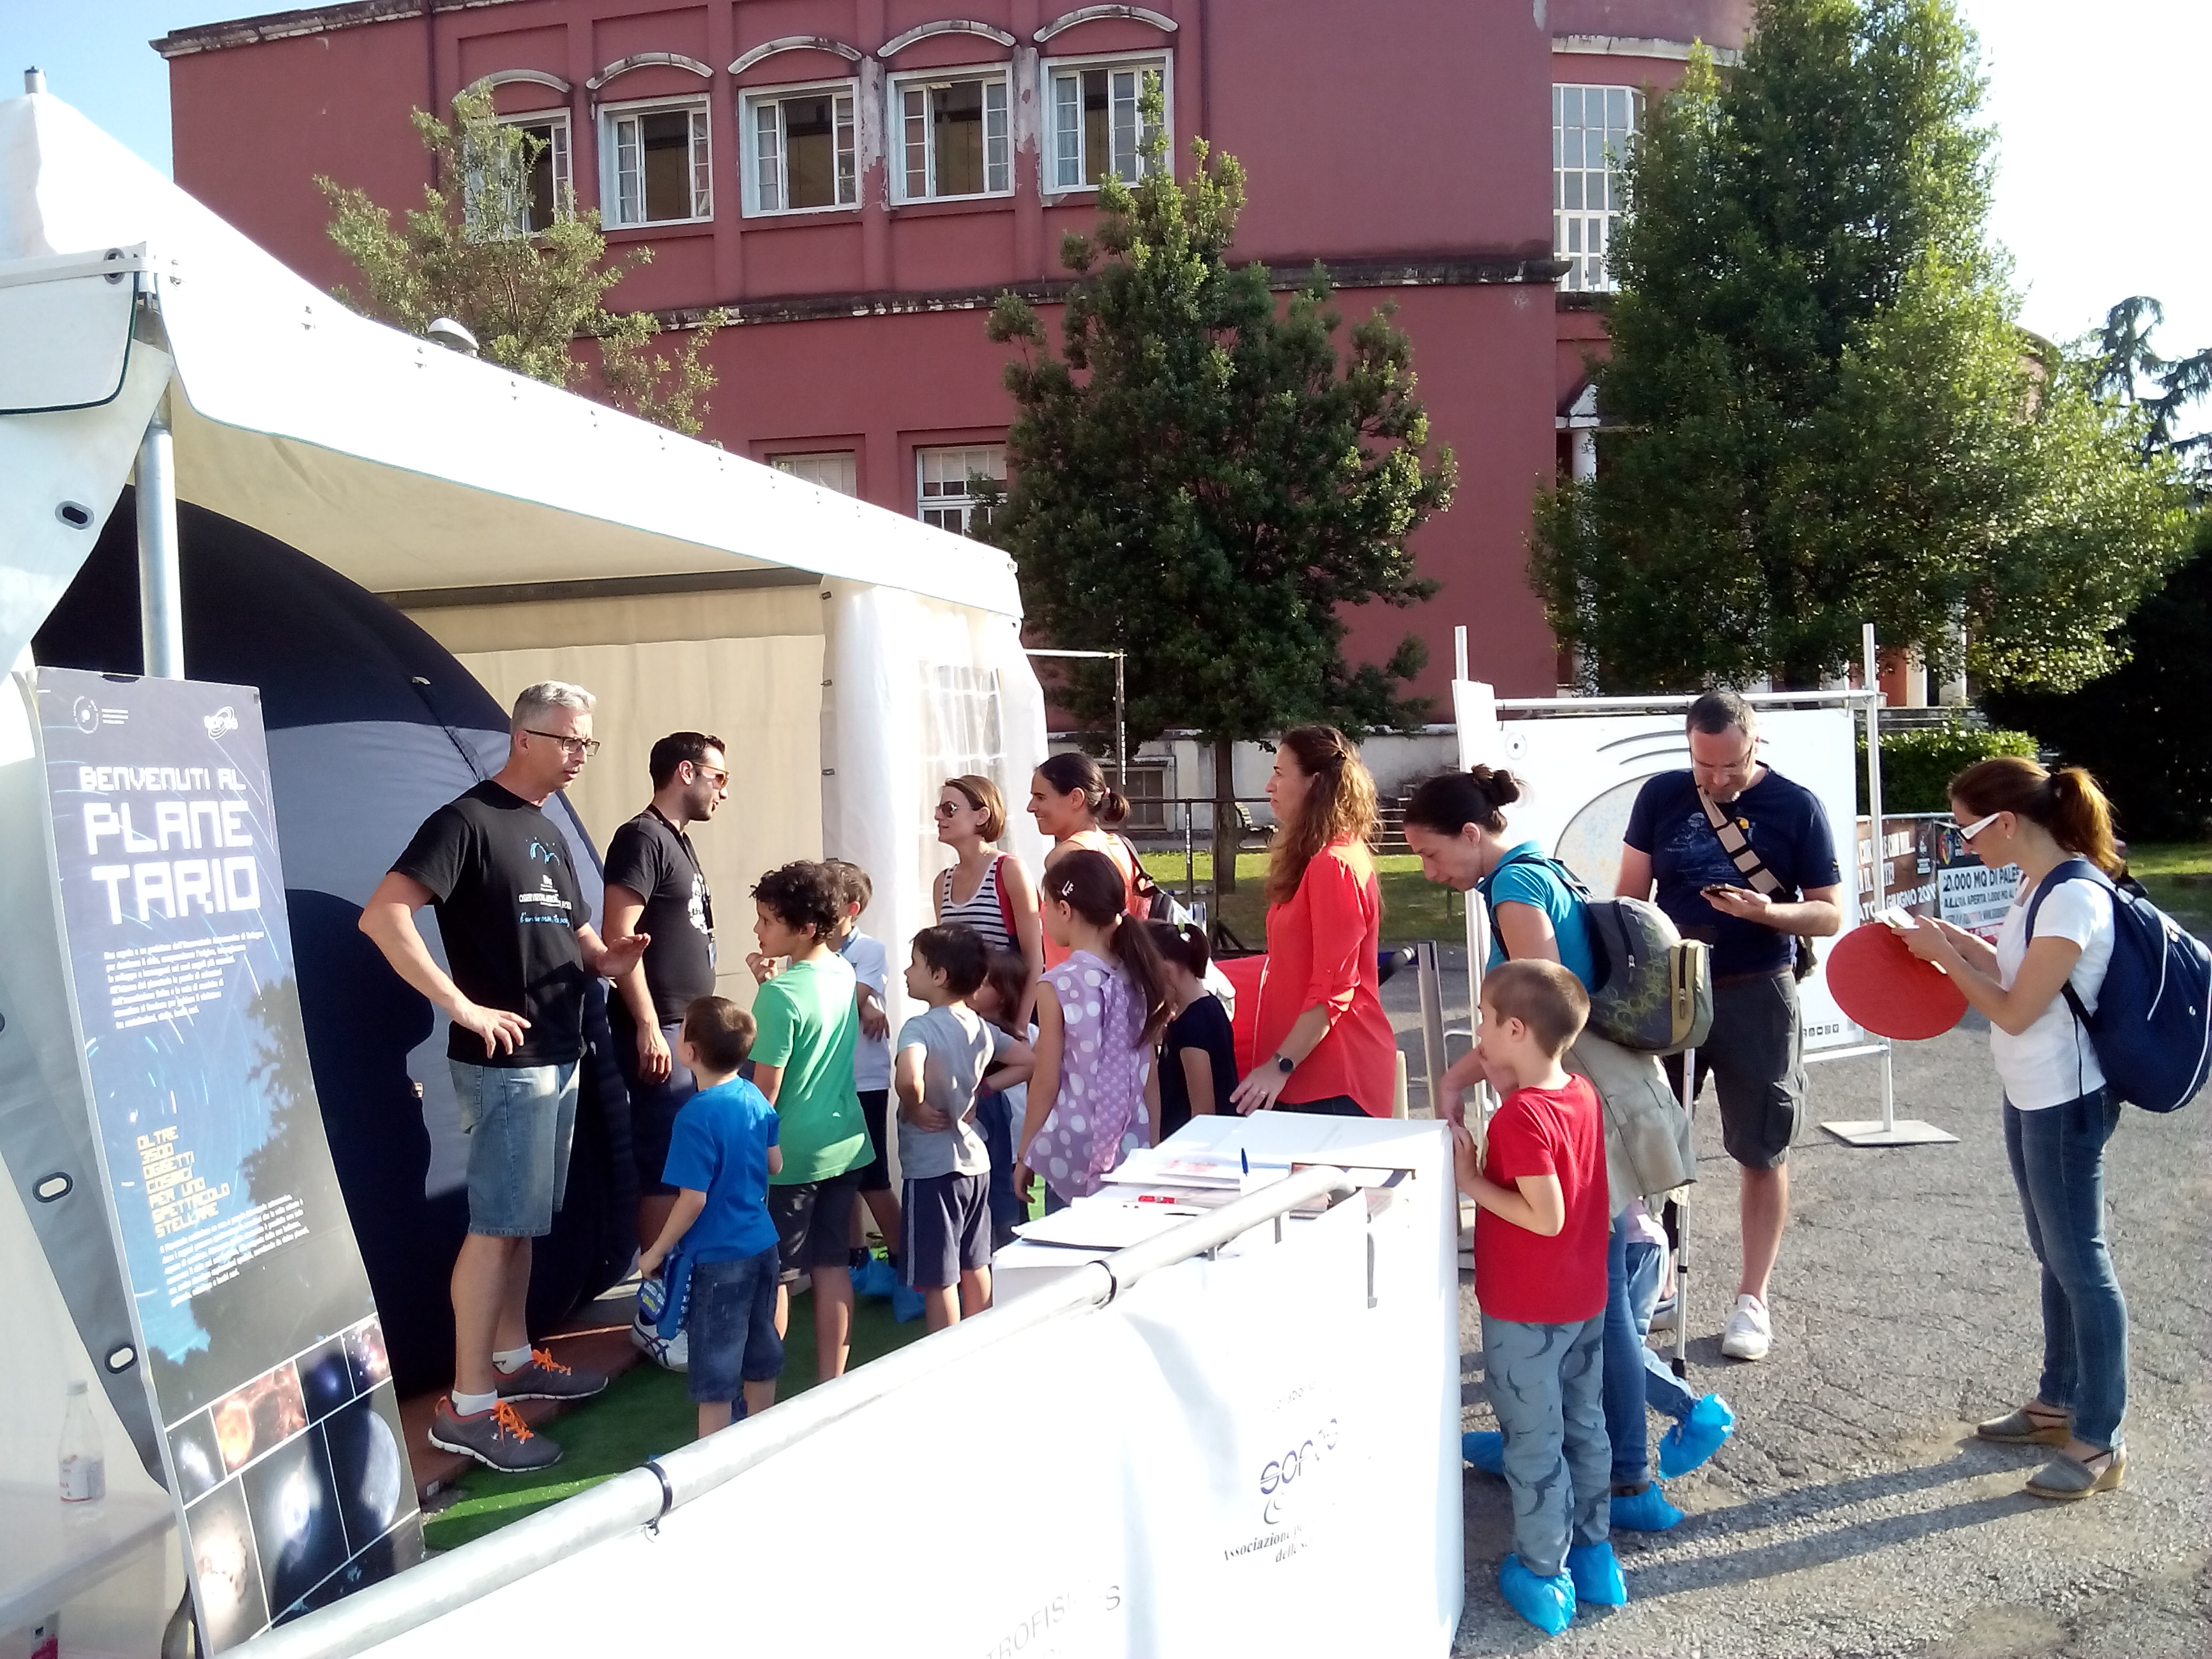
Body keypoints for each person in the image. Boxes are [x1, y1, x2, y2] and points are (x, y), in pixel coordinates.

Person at [1404, 766, 1734, 1530]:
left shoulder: (1514, 890)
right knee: (1596, 1289)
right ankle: (1613, 1456)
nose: (1428, 871)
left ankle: (1636, 1471)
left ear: (1470, 834)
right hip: (1600, 1095)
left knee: (1598, 1296)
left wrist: (1459, 1078)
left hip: (1588, 1101)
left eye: (1430, 853)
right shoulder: (1533, 870)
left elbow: (1536, 1009)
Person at [360, 681, 645, 1473]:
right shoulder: (465, 822)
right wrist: (460, 1005)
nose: (581, 754)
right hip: (506, 1064)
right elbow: (383, 915)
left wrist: (609, 960)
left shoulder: (547, 830)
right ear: (524, 738)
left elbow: (577, 932)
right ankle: (468, 1408)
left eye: (588, 742)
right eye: (569, 740)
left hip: (559, 1052)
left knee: (518, 1224)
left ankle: (513, 1360)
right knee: (494, 1229)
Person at [1893, 757, 2131, 1501]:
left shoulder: (2073, 895)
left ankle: (2099, 1440)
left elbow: (2015, 1009)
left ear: (2006, 822)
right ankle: (2057, 1403)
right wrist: (1957, 943)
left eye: (1966, 830)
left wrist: (1945, 960)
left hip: (2066, 1098)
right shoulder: (2036, 885)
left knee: (2080, 1263)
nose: (1962, 845)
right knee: (2053, 1253)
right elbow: (2015, 974)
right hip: (2031, 1090)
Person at [1618, 689, 1842, 1362]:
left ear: (1755, 743)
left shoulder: (1796, 805)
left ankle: (1752, 1298)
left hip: (1756, 988)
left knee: (1762, 1146)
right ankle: (1657, 1279)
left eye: (1732, 766)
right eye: (1704, 766)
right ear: (1688, 747)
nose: (1717, 780)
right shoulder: (1660, 795)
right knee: (1650, 1139)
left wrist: (1767, 914)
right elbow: (1629, 894)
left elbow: (1828, 913)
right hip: (1670, 988)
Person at [1451, 960, 1622, 1634]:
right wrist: (1500, 1078)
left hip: (1525, 1307)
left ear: (1515, 1029)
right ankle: (1594, 1553)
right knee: (1584, 1425)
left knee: (1532, 1440)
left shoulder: (1519, 1119)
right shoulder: (1577, 1091)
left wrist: (1471, 1182)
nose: (1478, 1031)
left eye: (1484, 1021)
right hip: (1582, 1297)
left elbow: (1543, 1215)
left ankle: (1543, 1572)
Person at [1229, 726, 1395, 1118]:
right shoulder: (1323, 858)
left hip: (1332, 1077)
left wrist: (1279, 1066)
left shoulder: (1333, 865)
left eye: (1280, 773)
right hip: (1308, 1071)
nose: (1269, 785)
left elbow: (1334, 989)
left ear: (1314, 783)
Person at [746, 861, 871, 1383]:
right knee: (832, 1266)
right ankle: (831, 1386)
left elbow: (765, 1092)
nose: (757, 930)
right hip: (845, 1147)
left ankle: (762, 1399)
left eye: (767, 921)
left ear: (802, 928)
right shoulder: (843, 971)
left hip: (788, 1158)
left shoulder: (778, 996)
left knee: (775, 1277)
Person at [604, 731, 727, 1256]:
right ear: (685, 772)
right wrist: (649, 1026)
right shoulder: (642, 837)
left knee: (691, 1163)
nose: (724, 791)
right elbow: (618, 938)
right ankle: (656, 1293)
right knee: (664, 1166)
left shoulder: (677, 839)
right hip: (664, 1029)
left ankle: (683, 1279)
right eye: (719, 777)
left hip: (689, 1028)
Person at [637, 996, 783, 1441]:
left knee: (715, 1368)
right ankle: (760, 1441)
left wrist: (656, 1251)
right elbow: (775, 1163)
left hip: (718, 1258)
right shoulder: (753, 1095)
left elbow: (693, 1200)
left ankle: (712, 1459)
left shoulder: (694, 1117)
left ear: (690, 1052)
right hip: (763, 1245)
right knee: (760, 1350)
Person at [1015, 850, 1170, 1213]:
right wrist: (1153, 1143)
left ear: (1065, 910)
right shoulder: (1139, 977)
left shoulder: (1056, 985)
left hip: (1071, 1153)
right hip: (1132, 1147)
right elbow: (1149, 1077)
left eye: (1046, 906)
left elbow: (1046, 1081)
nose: (1043, 915)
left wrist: (1025, 1153)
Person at [894, 925, 1034, 1331]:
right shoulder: (978, 1026)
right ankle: (981, 1340)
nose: (906, 972)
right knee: (976, 1261)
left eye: (915, 964)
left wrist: (916, 1105)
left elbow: (909, 1077)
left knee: (939, 1276)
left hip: (932, 1168)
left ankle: (947, 1350)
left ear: (939, 976)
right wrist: (983, 1089)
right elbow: (1029, 1060)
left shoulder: (919, 1028)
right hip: (976, 1164)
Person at [820, 860, 908, 1312]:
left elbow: (842, 1001)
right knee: (842, 1174)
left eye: (825, 900)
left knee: (873, 1177)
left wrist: (868, 1002)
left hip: (865, 1079)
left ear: (851, 909)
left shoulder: (869, 950)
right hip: (828, 1077)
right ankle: (858, 1262)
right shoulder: (812, 949)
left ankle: (907, 1265)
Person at [1026, 752, 1150, 969]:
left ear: (1076, 798)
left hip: (1077, 983)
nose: (1031, 807)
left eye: (1041, 797)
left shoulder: (1067, 856)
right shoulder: (1118, 845)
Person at [934, 774, 1045, 1011]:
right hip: (961, 1017)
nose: (938, 816)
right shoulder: (943, 882)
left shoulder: (1009, 870)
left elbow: (1035, 959)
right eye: (939, 809)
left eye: (949, 809)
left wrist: (1021, 1024)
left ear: (982, 816)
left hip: (1004, 1014)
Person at [1146, 919, 1236, 1139]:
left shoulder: (1192, 1026)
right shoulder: (1208, 1005)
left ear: (1166, 970)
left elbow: (1203, 1112)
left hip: (1190, 1143)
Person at [971, 948, 1036, 1246]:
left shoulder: (1029, 1036)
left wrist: (985, 1088)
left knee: (1012, 1209)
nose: (974, 988)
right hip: (983, 1141)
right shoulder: (968, 1029)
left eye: (984, 983)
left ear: (1005, 994)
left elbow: (1035, 1080)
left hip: (1015, 1142)